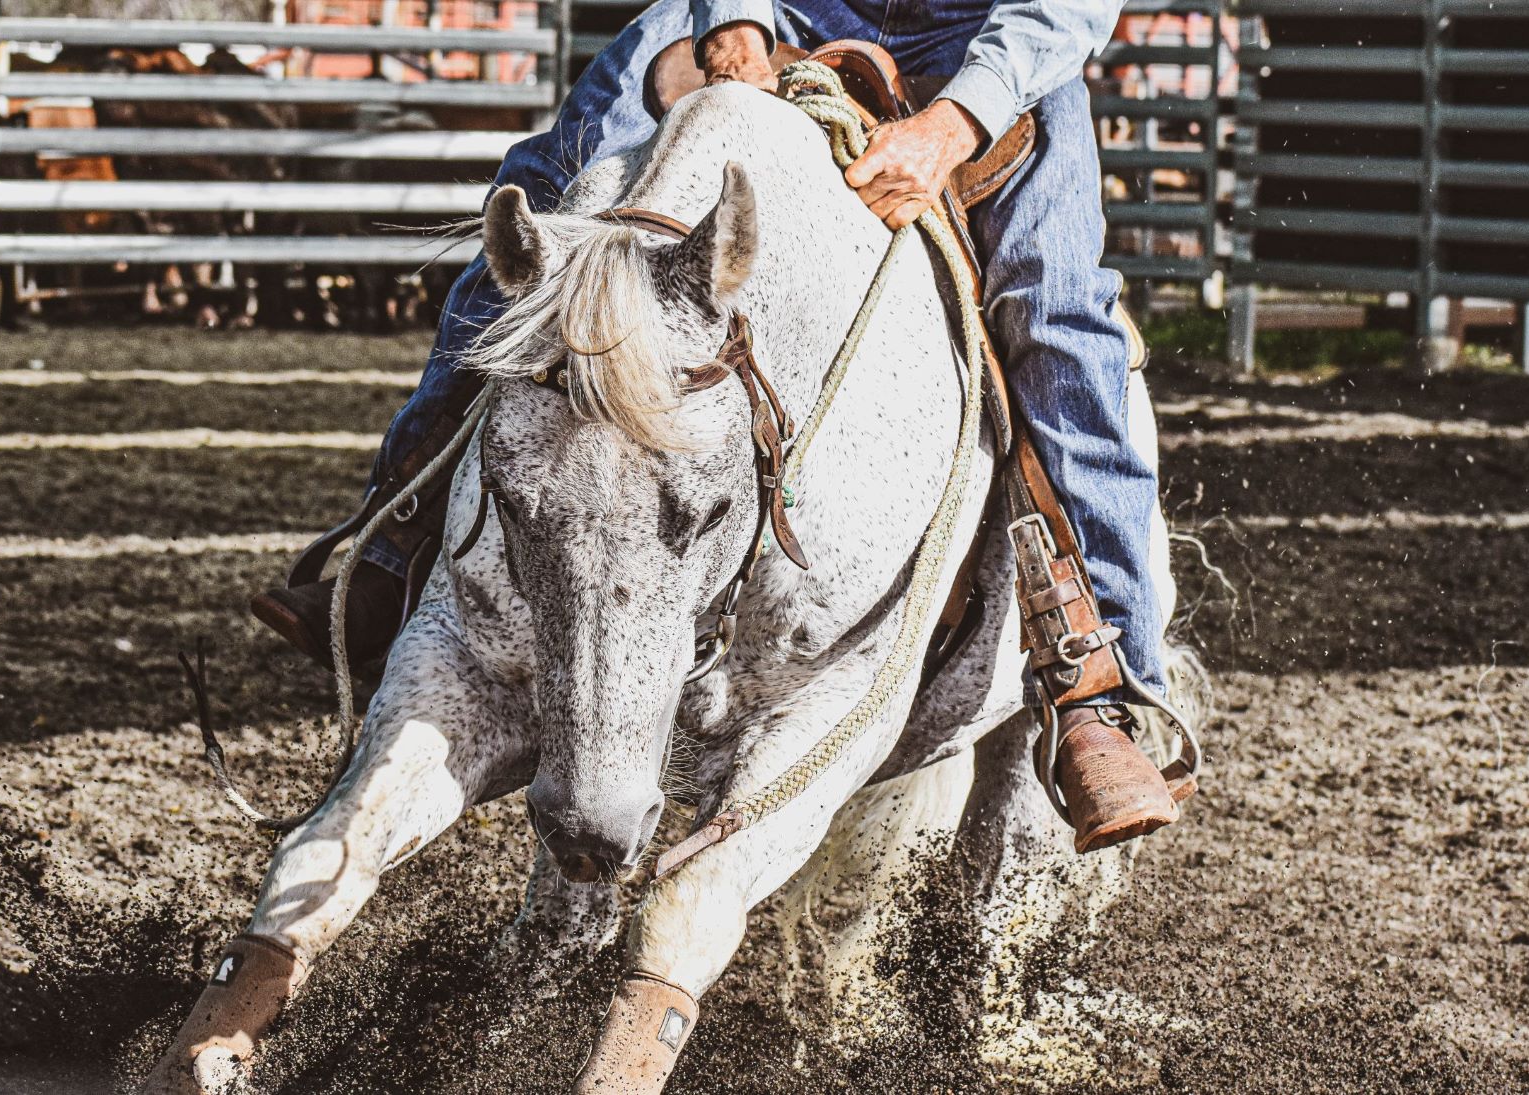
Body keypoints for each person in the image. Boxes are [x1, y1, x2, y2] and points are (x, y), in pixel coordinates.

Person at [252, 0, 1185, 851]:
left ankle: (1095, 674)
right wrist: (734, 21)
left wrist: (956, 121)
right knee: (544, 198)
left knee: (1054, 310)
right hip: (793, 6)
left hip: (984, 35)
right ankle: (400, 529)